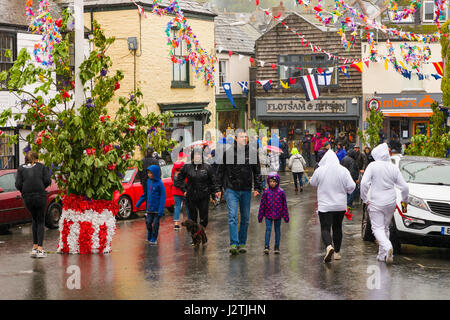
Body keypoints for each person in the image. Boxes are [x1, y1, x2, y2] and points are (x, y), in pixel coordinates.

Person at [360, 143, 409, 264]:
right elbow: (404, 187)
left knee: (377, 228)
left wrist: (365, 198)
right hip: (390, 201)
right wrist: (404, 201)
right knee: (385, 227)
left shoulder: (373, 166)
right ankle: (383, 255)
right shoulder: (393, 167)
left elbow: (364, 183)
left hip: (376, 200)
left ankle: (387, 247)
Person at [217, 129, 263, 255]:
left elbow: (257, 171)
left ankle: (242, 243)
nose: (245, 139)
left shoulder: (252, 153)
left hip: (246, 189)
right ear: (236, 139)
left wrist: (258, 187)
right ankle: (234, 243)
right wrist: (218, 189)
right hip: (231, 188)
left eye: (246, 137)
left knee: (245, 218)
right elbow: (220, 171)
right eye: (242, 137)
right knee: (232, 216)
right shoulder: (228, 153)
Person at [310, 150, 356, 263]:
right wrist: (345, 191)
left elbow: (312, 183)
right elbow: (352, 186)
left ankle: (329, 246)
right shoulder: (343, 170)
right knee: (337, 227)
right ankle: (337, 253)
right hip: (339, 206)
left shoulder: (320, 170)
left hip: (325, 206)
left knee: (325, 228)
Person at [174, 147, 220, 236]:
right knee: (193, 219)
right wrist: (184, 190)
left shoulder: (207, 167)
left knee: (204, 218)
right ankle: (195, 237)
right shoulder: (187, 167)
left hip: (204, 196)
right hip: (191, 196)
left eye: (199, 154)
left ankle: (202, 233)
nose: (197, 156)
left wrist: (215, 191)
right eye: (195, 154)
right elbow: (178, 179)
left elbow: (213, 181)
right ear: (192, 156)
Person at [15, 151, 51, 258]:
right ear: (36, 159)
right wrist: (40, 187)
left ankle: (35, 247)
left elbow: (17, 184)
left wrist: (25, 191)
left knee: (34, 219)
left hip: (27, 197)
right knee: (40, 221)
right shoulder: (41, 167)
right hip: (40, 196)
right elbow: (47, 180)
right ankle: (40, 249)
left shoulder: (21, 168)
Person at [258, 173, 289, 254]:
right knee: (268, 229)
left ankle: (277, 246)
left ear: (277, 182)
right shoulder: (266, 192)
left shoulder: (281, 192)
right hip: (268, 214)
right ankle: (266, 246)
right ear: (268, 182)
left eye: (274, 181)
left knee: (277, 230)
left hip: (278, 215)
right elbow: (262, 204)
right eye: (271, 181)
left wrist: (286, 216)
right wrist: (260, 216)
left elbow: (284, 204)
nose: (272, 183)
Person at [136, 165, 166, 245]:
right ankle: (149, 234)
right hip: (149, 209)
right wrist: (139, 203)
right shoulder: (149, 182)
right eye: (148, 173)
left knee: (156, 224)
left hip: (157, 210)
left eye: (150, 173)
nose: (149, 175)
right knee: (148, 222)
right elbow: (145, 194)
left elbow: (163, 197)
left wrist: (161, 210)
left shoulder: (160, 184)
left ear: (155, 173)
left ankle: (154, 237)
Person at [171, 161, 189, 230]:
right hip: (184, 191)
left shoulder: (173, 169)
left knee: (177, 207)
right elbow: (187, 180)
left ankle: (176, 224)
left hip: (175, 191)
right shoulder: (184, 169)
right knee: (188, 206)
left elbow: (172, 179)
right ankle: (190, 222)